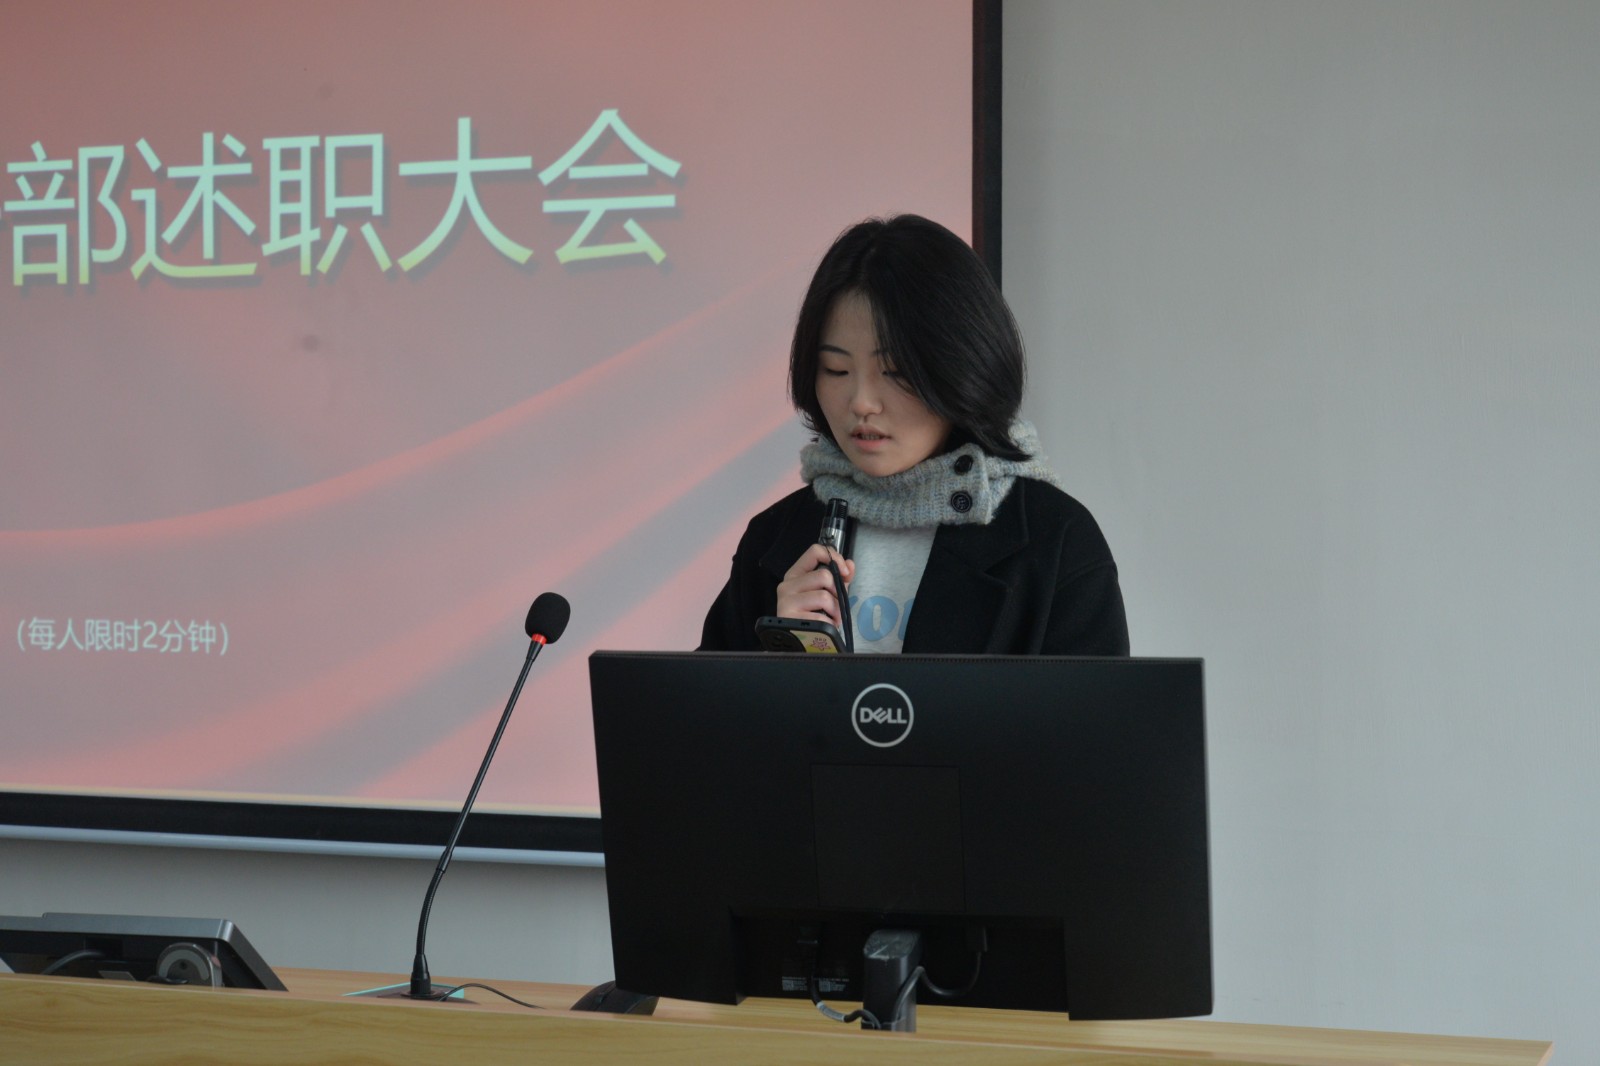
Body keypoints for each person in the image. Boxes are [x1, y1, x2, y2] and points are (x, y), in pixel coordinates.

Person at [698, 214, 1128, 655]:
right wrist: (774, 662)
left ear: (963, 368)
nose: (862, 402)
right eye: (836, 369)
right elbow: (698, 699)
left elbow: (1095, 703)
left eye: (896, 372)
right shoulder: (773, 539)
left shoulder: (1056, 539)